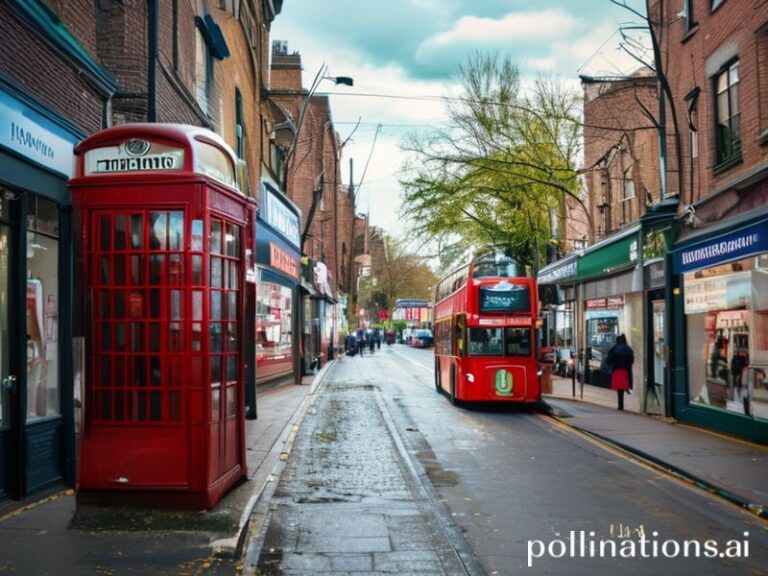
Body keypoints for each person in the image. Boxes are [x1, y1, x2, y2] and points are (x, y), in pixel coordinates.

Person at [606, 333, 634, 411]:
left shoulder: (614, 348)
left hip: (616, 370)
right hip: (625, 371)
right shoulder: (628, 349)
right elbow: (631, 360)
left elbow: (609, 360)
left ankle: (620, 405)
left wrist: (609, 366)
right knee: (623, 387)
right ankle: (622, 403)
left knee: (619, 389)